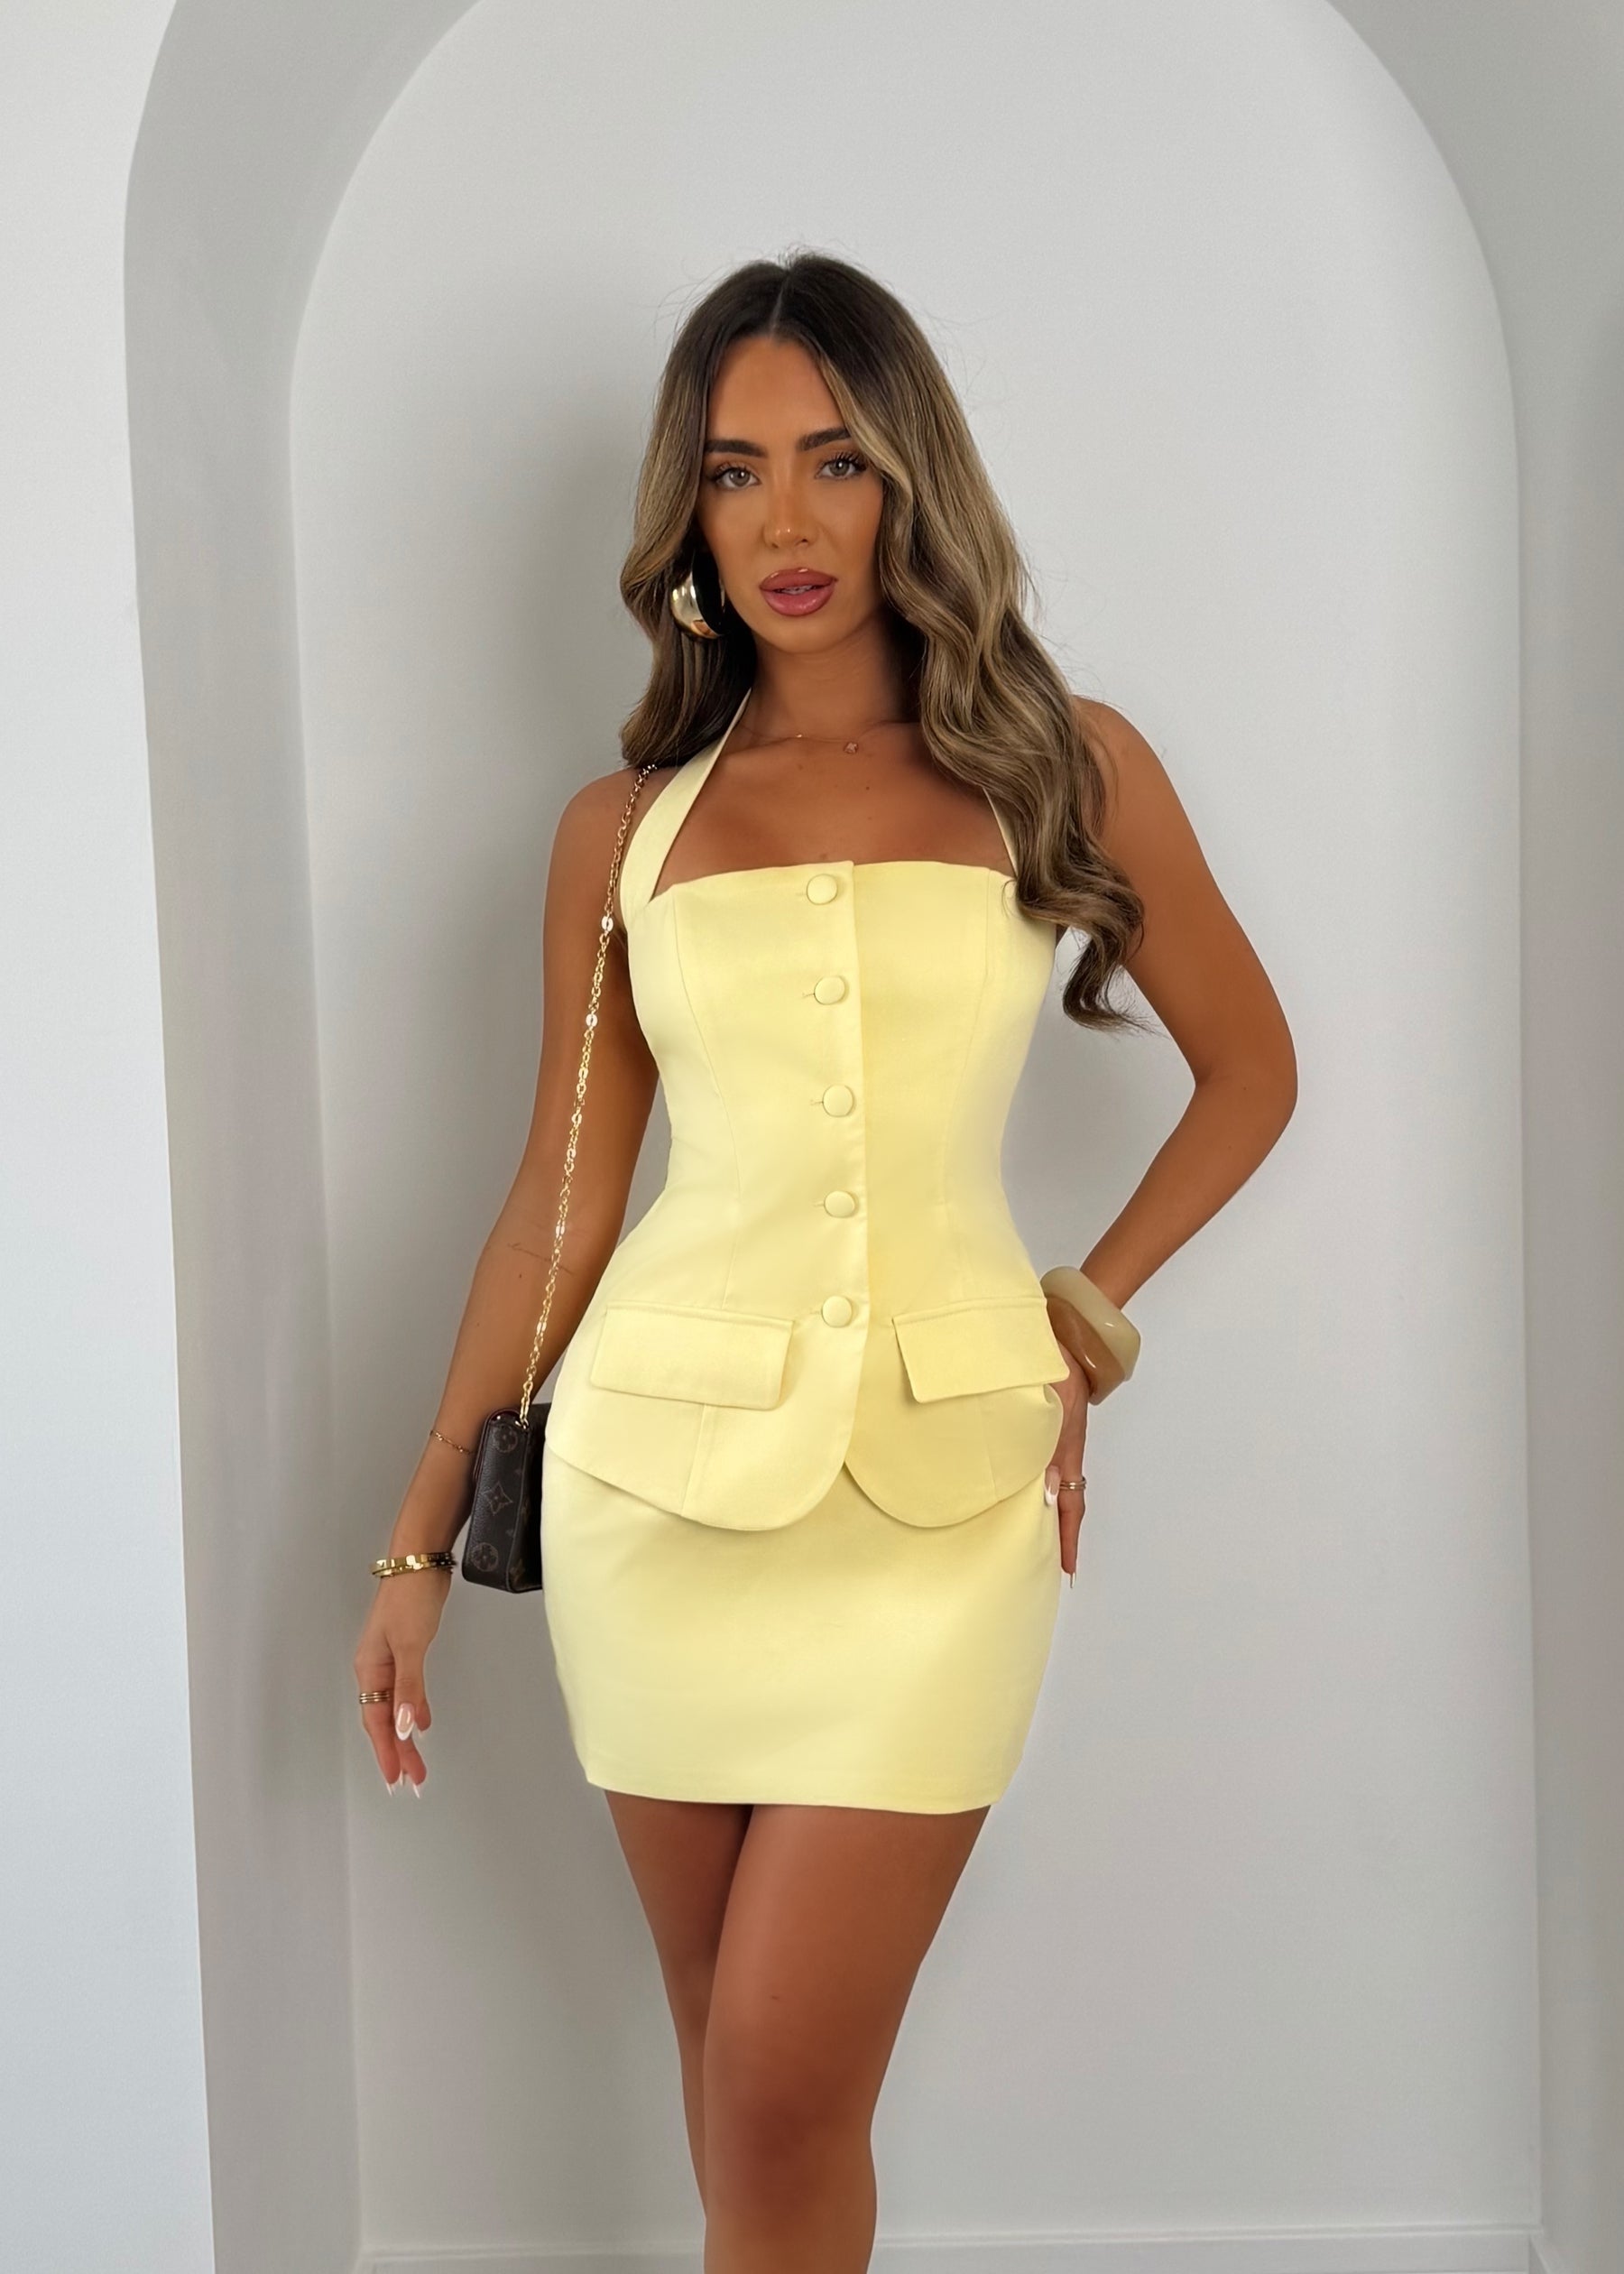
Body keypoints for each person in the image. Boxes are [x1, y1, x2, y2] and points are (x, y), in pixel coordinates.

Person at [352, 250, 1296, 2271]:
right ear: (687, 516)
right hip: (652, 1495)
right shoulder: (621, 830)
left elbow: (1253, 1073)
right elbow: (561, 1202)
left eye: (837, 461)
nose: (786, 519)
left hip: (941, 1510)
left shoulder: (1065, 764)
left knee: (783, 2080)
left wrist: (1081, 1319)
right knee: (738, 2088)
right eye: (735, 470)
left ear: (909, 482)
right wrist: (420, 1538)